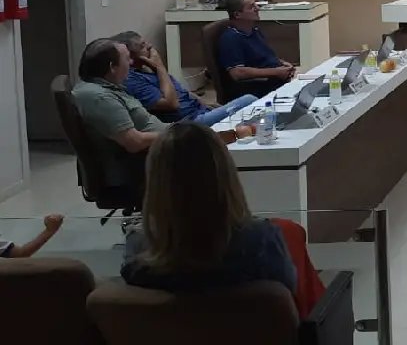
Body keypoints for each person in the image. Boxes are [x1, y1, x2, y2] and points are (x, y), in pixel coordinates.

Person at [121, 122, 296, 294]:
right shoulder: (261, 241)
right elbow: (288, 298)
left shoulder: (138, 248)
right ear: (225, 174)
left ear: (155, 180)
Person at [71, 40, 256, 194]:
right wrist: (183, 133)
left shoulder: (107, 87)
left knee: (234, 137)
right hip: (157, 157)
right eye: (127, 59)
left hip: (167, 143)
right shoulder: (99, 98)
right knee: (229, 146)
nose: (132, 63)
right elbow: (134, 142)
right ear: (112, 67)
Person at [115, 31, 259, 126]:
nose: (150, 47)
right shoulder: (132, 81)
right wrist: (160, 68)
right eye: (143, 46)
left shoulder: (146, 69)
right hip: (189, 124)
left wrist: (209, 105)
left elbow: (182, 92)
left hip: (201, 112)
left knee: (253, 115)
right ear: (131, 57)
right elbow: (172, 104)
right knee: (250, 101)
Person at [216, 0, 297, 98]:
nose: (257, 8)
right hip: (256, 88)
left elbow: (265, 56)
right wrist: (276, 72)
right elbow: (237, 73)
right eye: (251, 7)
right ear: (237, 14)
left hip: (275, 79)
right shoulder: (231, 38)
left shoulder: (254, 31)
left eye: (256, 5)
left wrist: (283, 64)